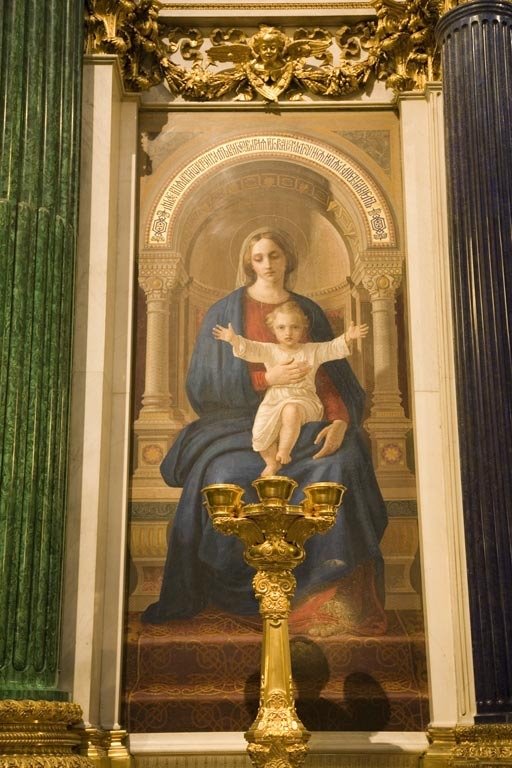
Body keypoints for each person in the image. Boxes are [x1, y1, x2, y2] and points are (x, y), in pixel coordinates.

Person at [141, 228, 388, 632]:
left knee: (341, 463)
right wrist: (266, 379)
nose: (268, 264)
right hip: (237, 427)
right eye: (259, 258)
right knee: (223, 476)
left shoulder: (307, 311)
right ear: (248, 263)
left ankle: (327, 599)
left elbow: (332, 377)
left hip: (308, 422)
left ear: (287, 258)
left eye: (274, 255)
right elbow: (203, 386)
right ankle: (239, 595)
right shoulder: (225, 313)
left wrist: (340, 420)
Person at [212, 301, 369, 476]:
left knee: (291, 410)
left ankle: (284, 451)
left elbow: (331, 348)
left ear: (303, 328)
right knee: (259, 433)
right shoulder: (269, 350)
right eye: (281, 327)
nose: (288, 332)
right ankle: (272, 463)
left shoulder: (311, 350)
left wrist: (348, 337)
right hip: (274, 399)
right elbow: (250, 348)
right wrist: (233, 339)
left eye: (294, 327)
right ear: (273, 329)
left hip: (303, 399)